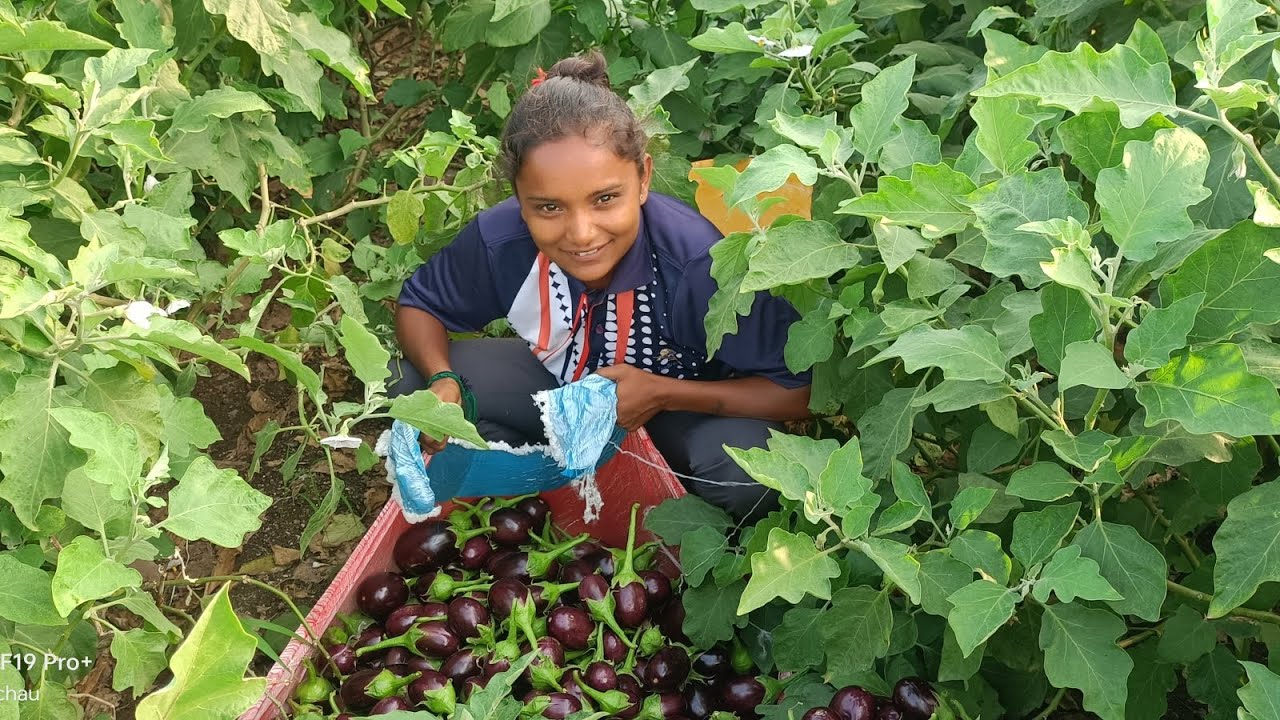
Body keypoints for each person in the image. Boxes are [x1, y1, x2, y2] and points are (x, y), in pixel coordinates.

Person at [387, 50, 812, 523]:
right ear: (520, 201)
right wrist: (443, 380)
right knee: (411, 383)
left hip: (686, 410)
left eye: (605, 199)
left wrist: (662, 393)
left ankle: (669, 515)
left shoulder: (697, 262)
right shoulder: (501, 240)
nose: (583, 233)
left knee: (744, 477)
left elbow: (796, 391)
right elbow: (420, 305)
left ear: (644, 178)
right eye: (549, 208)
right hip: (560, 383)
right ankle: (546, 483)